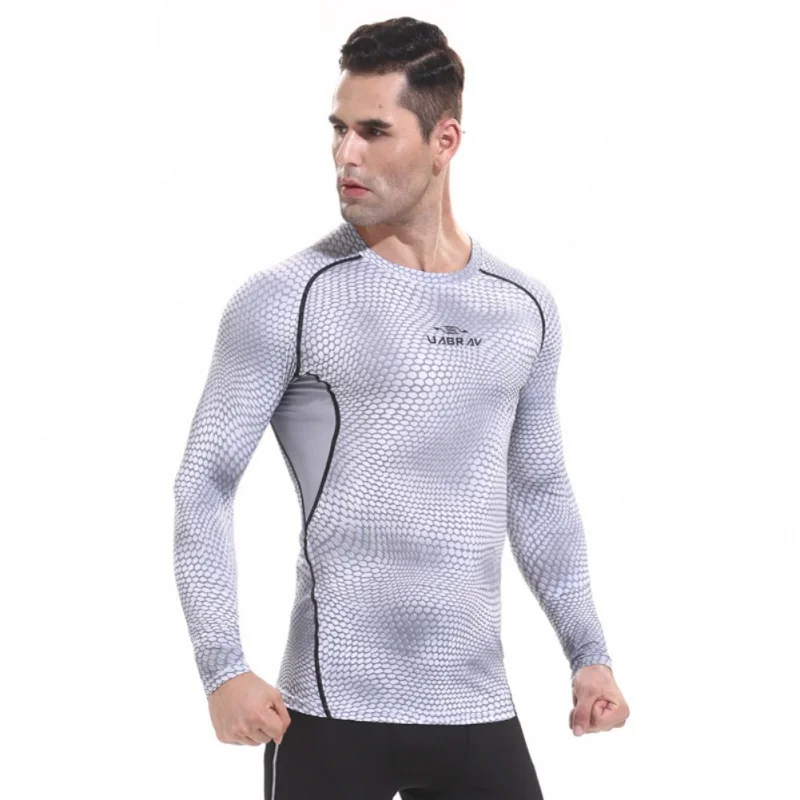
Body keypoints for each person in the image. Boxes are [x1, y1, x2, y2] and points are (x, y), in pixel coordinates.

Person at [172, 15, 629, 800]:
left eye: (375, 132)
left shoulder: (521, 307)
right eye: (339, 129)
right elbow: (204, 480)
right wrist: (223, 667)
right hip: (329, 711)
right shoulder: (289, 297)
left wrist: (589, 653)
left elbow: (539, 489)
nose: (345, 154)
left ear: (444, 141)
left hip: (477, 709)